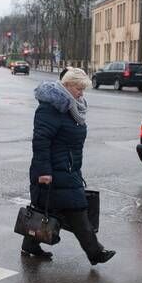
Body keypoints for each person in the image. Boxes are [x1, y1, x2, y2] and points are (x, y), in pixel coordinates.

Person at [23, 67, 115, 265]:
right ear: (66, 85)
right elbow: (41, 141)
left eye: (83, 89)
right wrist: (45, 172)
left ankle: (30, 245)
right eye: (79, 88)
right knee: (76, 210)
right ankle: (95, 253)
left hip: (68, 169)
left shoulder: (74, 107)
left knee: (46, 209)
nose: (82, 93)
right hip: (53, 171)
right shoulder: (51, 108)